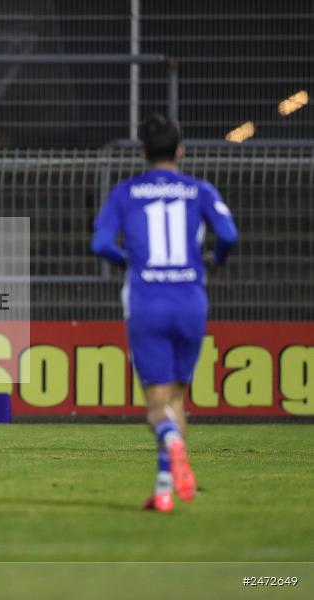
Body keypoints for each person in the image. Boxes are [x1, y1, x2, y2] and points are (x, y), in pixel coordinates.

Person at [91, 113, 238, 512]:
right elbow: (228, 234)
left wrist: (130, 262)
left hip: (147, 301)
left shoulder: (126, 192)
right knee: (178, 396)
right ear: (180, 150)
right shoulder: (199, 190)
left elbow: (100, 243)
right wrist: (215, 260)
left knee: (158, 405)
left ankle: (170, 441)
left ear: (142, 153)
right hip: (190, 300)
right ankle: (164, 490)